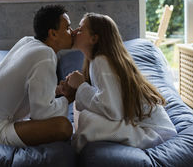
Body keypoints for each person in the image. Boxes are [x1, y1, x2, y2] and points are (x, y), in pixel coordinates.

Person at [0, 5, 76, 147]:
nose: (73, 32)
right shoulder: (45, 55)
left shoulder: (27, 41)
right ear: (53, 34)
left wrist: (55, 91)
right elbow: (42, 114)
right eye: (68, 28)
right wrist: (69, 97)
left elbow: (24, 87)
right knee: (63, 126)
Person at [65, 12, 177, 152]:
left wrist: (81, 85)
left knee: (87, 119)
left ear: (94, 38)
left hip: (154, 133)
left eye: (80, 29)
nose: (74, 32)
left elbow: (112, 111)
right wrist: (76, 89)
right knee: (81, 111)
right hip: (150, 129)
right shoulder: (94, 62)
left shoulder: (101, 61)